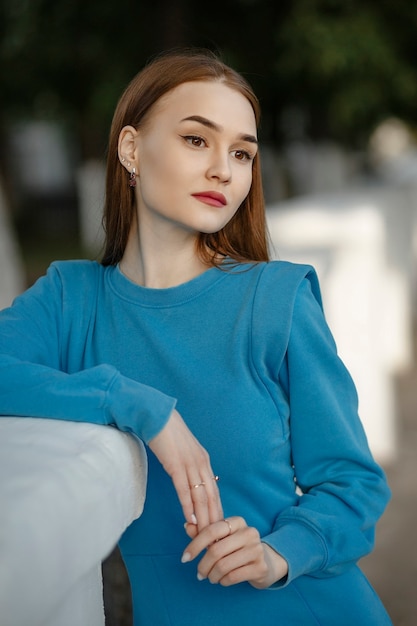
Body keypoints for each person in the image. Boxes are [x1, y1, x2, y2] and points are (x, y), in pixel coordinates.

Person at [0, 49, 392, 625]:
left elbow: (352, 483)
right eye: (195, 140)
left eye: (241, 153)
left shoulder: (275, 300)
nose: (223, 170)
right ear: (131, 149)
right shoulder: (70, 299)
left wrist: (279, 553)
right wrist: (134, 405)